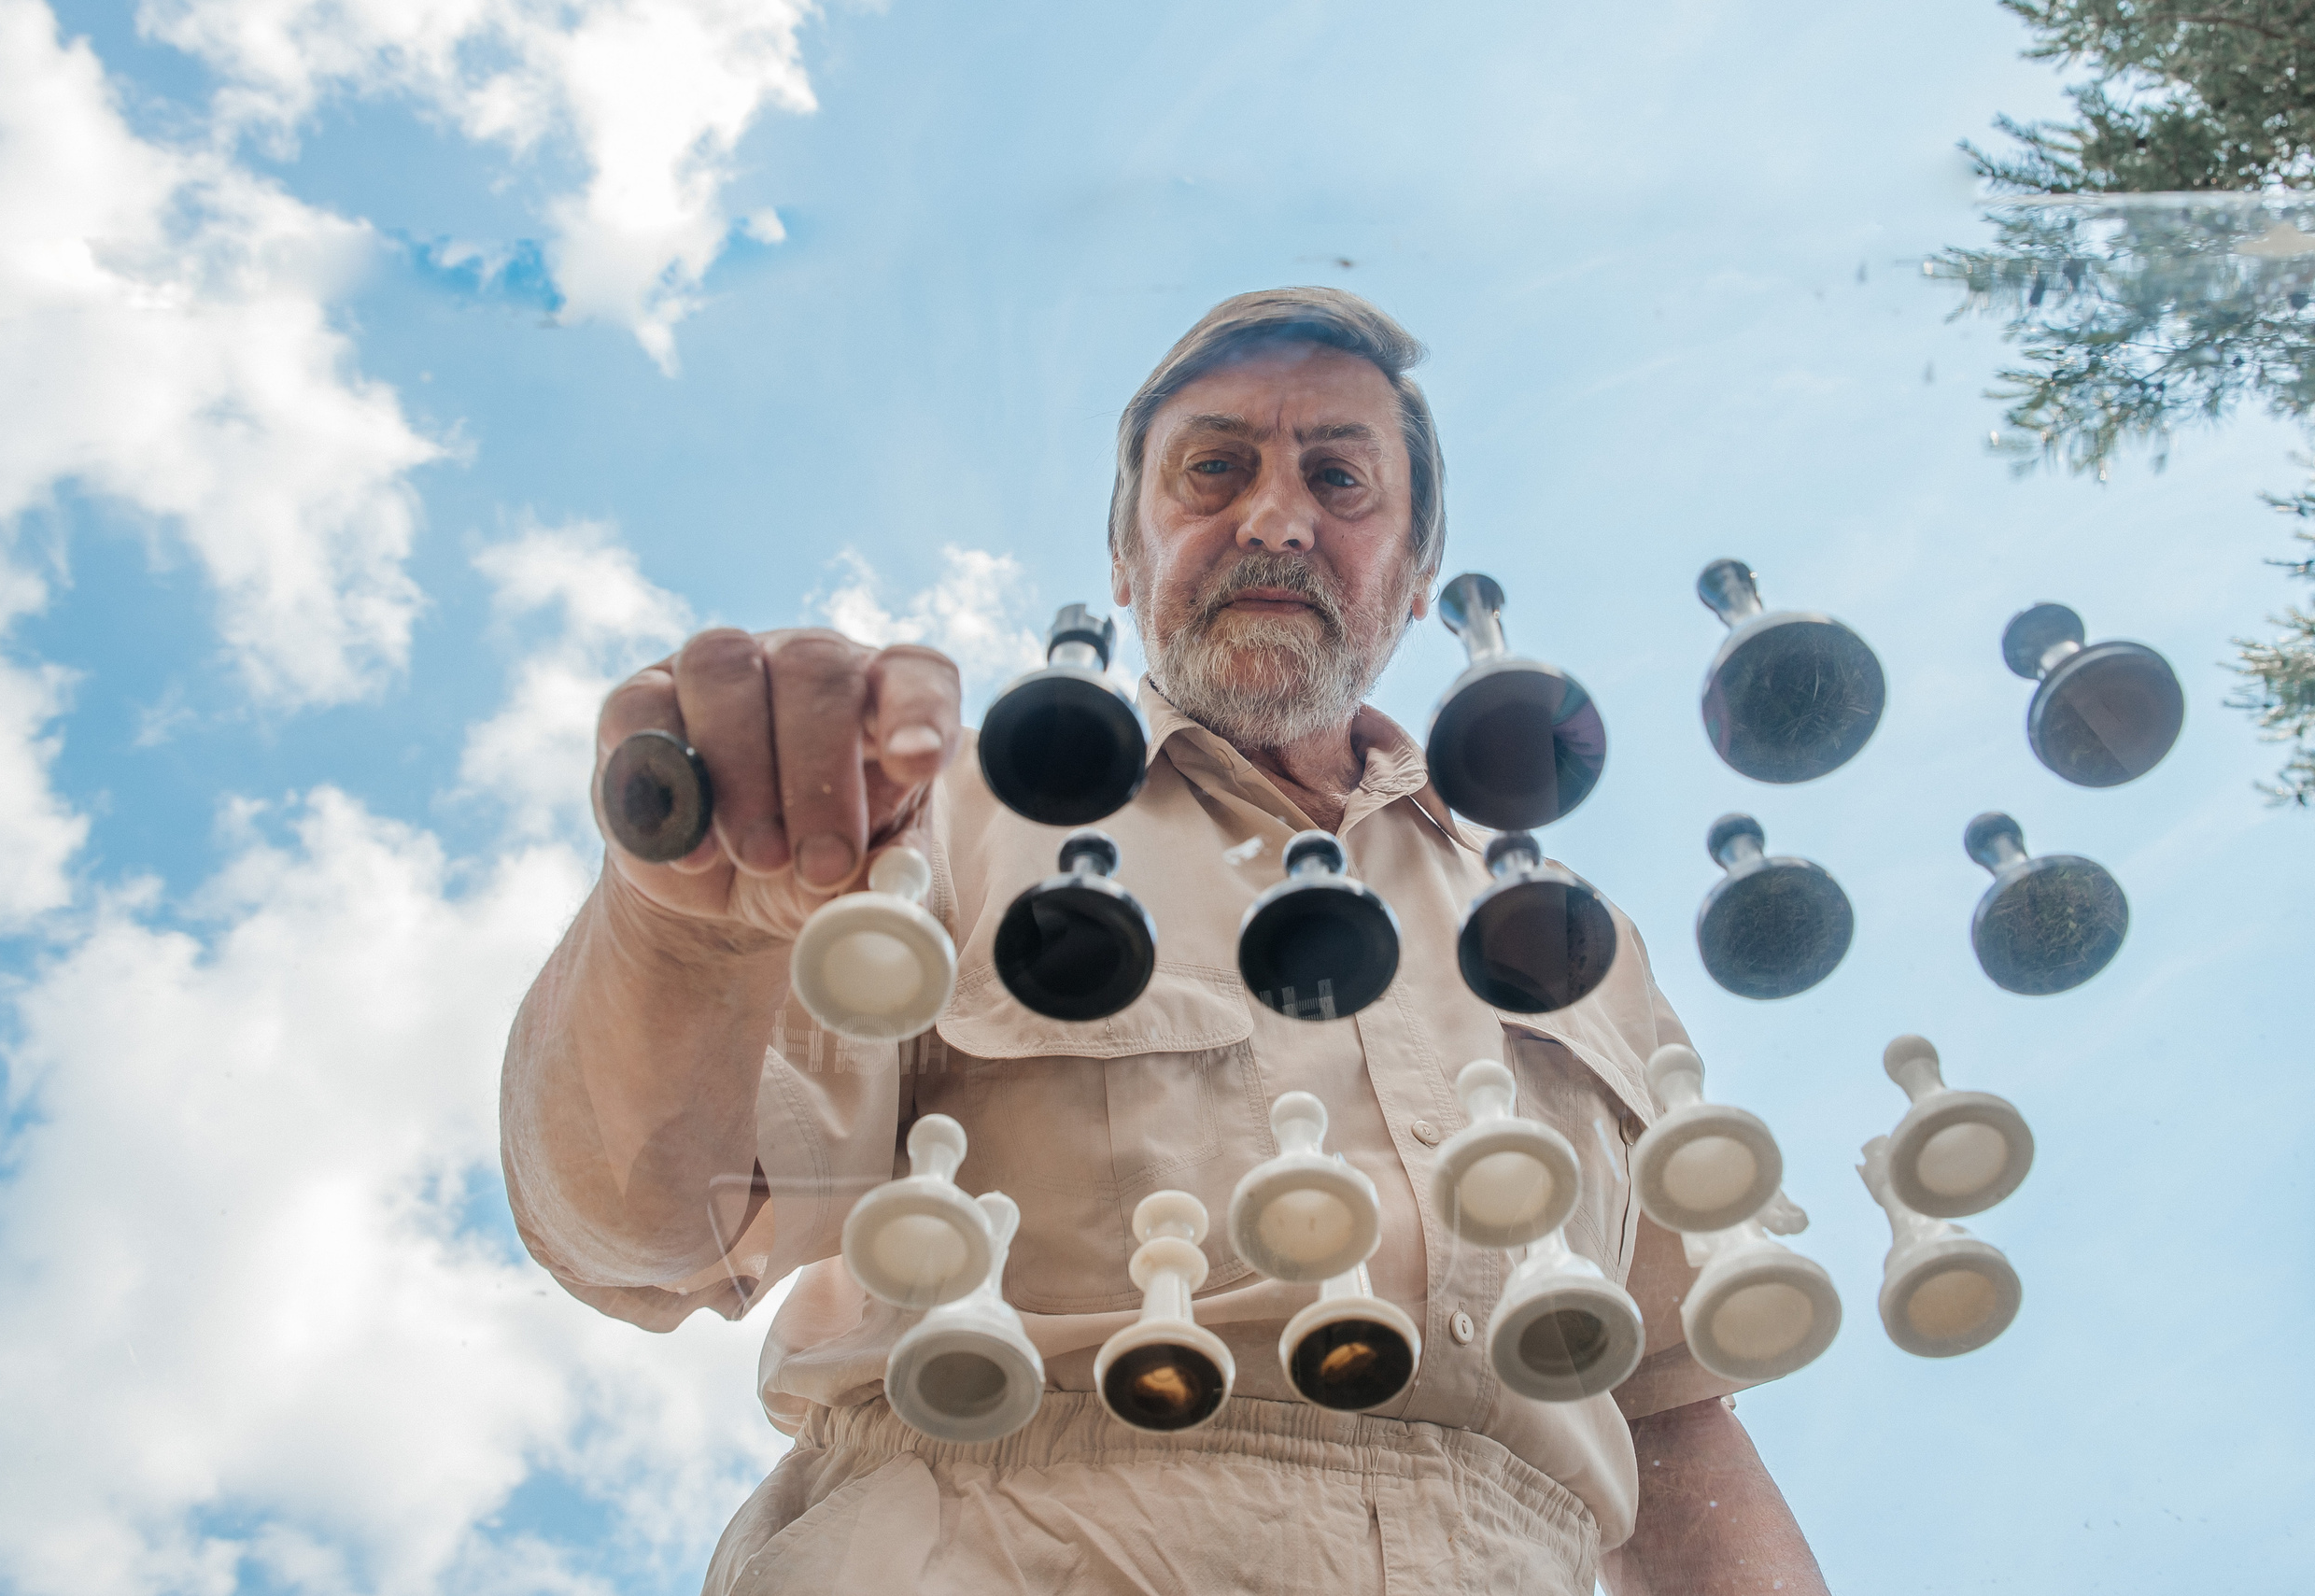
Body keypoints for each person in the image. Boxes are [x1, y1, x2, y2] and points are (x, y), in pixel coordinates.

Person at [501, 287, 1831, 1595]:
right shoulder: (931, 822)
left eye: (1340, 478)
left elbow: (1671, 1415)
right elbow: (654, 1234)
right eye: (1212, 470)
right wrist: (679, 938)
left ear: (1416, 578)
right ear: (1127, 564)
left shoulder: (1574, 938)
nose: (1274, 517)